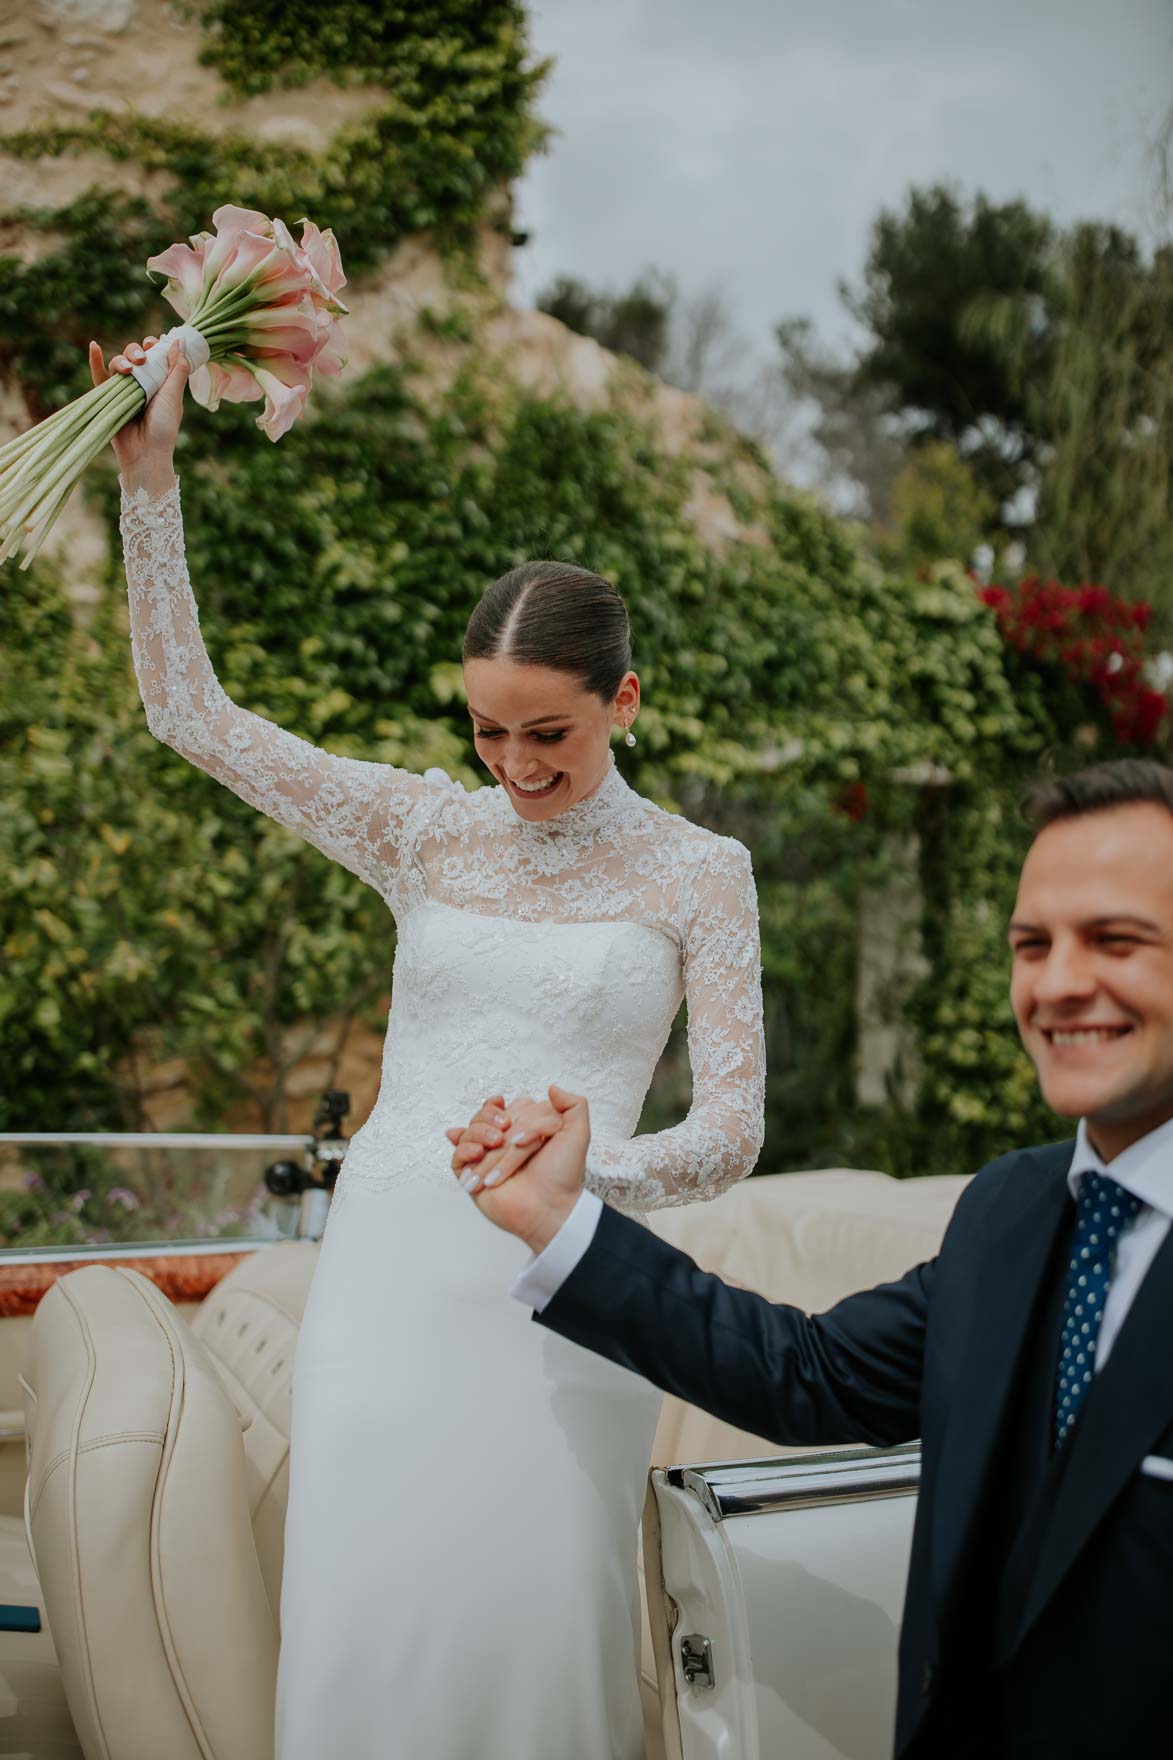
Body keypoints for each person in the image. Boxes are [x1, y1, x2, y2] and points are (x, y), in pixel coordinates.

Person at [91, 333, 765, 1758]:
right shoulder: (421, 828)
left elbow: (732, 1131)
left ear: (624, 702)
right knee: (368, 1627)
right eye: (487, 731)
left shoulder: (702, 874)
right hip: (388, 1287)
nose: (516, 768)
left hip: (569, 1290)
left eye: (550, 735)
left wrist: (587, 1173)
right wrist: (149, 488)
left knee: (540, 1630)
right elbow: (189, 715)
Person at [451, 758, 1173, 1760]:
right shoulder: (1008, 1208)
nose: (1056, 983)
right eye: (1031, 944)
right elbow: (810, 1372)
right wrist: (557, 1219)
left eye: (1115, 940)